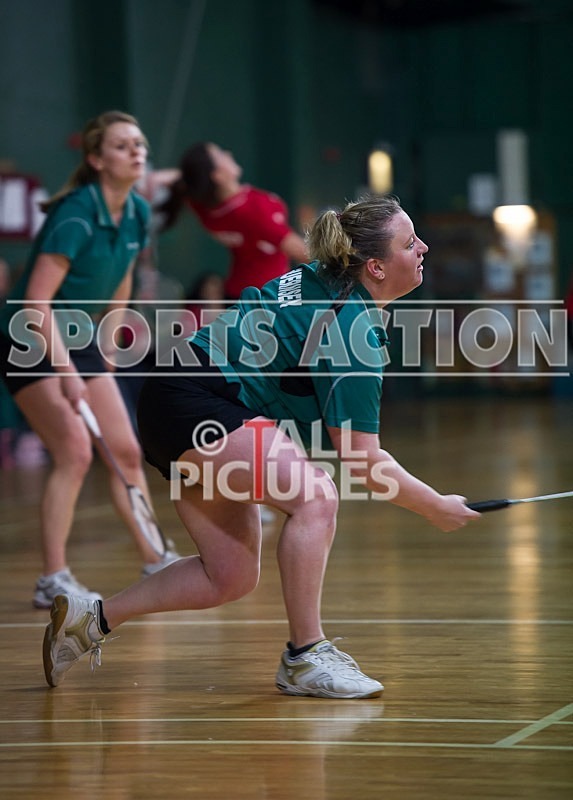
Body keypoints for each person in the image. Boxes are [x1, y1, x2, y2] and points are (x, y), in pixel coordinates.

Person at [42, 193, 480, 698]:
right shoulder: (352, 327)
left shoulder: (328, 274)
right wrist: (435, 507)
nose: (423, 247)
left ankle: (89, 621)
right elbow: (362, 457)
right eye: (410, 242)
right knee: (317, 497)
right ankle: (305, 656)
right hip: (197, 399)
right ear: (376, 267)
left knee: (228, 576)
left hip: (178, 394)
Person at [0, 110, 179, 609]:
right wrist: (67, 373)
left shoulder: (138, 212)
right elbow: (35, 302)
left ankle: (156, 558)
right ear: (98, 160)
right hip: (27, 336)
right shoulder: (76, 215)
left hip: (79, 338)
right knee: (76, 450)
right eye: (123, 146)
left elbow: (121, 275)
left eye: (140, 144)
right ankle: (52, 579)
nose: (137, 152)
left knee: (124, 450)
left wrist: (110, 339)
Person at [157, 142, 309, 298]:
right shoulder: (252, 212)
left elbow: (171, 178)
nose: (228, 153)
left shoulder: (204, 207)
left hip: (239, 292)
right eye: (221, 154)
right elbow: (304, 252)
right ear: (217, 175)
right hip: (271, 295)